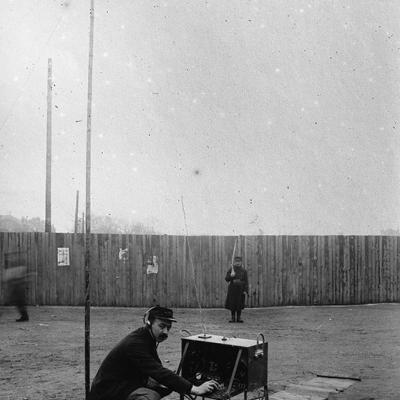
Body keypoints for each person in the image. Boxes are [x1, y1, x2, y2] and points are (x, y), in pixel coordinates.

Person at [89, 306, 219, 400]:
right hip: (107, 391)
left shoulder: (146, 336)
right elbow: (158, 371)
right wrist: (195, 389)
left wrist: (182, 382)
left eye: (168, 328)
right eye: (161, 326)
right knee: (150, 396)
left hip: (125, 381)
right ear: (149, 323)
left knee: (167, 384)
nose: (166, 332)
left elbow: (158, 371)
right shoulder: (136, 344)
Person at [3, 252, 29, 322]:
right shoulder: (17, 268)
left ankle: (25, 317)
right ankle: (25, 317)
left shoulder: (15, 268)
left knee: (20, 302)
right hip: (18, 287)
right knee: (19, 303)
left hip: (18, 287)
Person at [224, 256, 248, 323]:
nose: (237, 263)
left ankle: (239, 318)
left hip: (240, 290)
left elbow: (246, 281)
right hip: (232, 290)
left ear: (241, 262)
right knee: (232, 304)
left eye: (239, 262)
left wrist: (245, 290)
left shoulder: (244, 271)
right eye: (236, 262)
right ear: (234, 262)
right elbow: (226, 279)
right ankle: (233, 317)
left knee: (239, 304)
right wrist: (231, 276)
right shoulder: (231, 270)